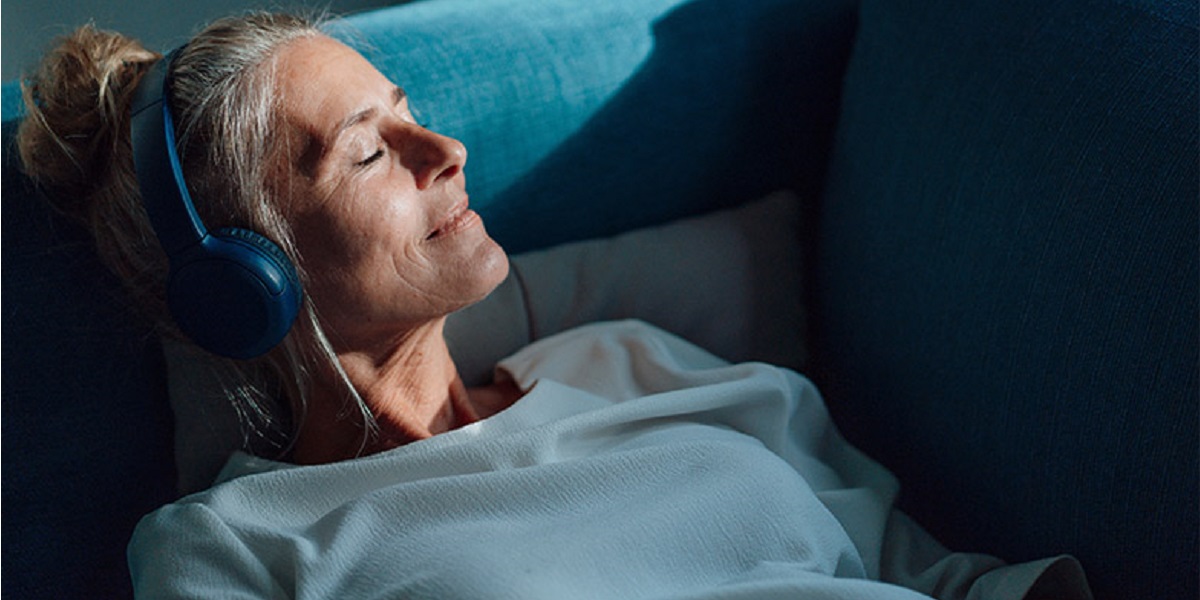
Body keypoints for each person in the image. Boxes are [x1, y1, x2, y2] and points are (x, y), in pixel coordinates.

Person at [17, 12, 1093, 600]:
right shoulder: (233, 547)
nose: (447, 154)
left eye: (411, 114)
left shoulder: (634, 362)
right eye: (368, 151)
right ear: (240, 276)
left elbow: (942, 579)